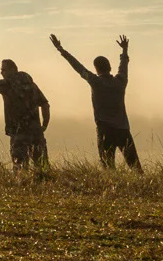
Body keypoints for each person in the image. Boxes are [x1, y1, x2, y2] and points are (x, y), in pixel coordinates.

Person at [52, 32, 140, 171]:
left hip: (105, 129)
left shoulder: (95, 82)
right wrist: (124, 50)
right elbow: (123, 65)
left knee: (108, 169)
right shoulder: (121, 81)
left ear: (96, 69)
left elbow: (78, 67)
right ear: (109, 67)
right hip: (123, 129)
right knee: (135, 167)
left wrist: (61, 49)